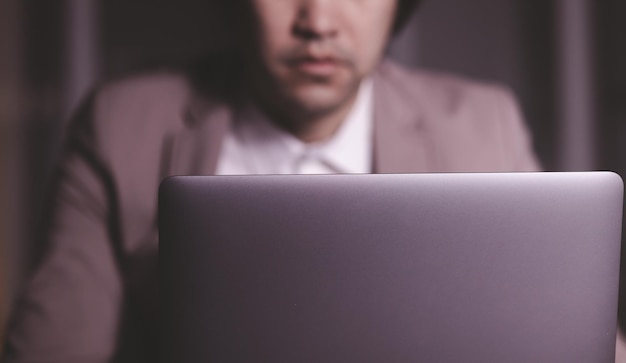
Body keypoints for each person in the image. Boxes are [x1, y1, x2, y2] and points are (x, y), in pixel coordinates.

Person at [3, 0, 544, 362]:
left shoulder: (482, 125)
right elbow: (53, 350)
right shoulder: (122, 125)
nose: (319, 22)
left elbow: (573, 336)